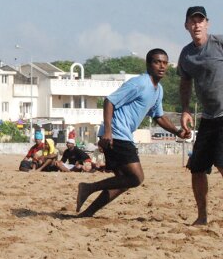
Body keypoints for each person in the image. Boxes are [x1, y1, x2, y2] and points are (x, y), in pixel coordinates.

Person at [76, 48, 191, 218]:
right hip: (116, 134)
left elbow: (158, 116)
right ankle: (88, 188)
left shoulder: (158, 90)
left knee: (123, 182)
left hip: (122, 135)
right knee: (136, 178)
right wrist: (108, 131)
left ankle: (87, 213)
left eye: (165, 63)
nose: (162, 66)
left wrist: (177, 132)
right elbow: (110, 101)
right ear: (148, 64)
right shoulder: (139, 83)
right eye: (157, 62)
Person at [179, 6, 223, 225]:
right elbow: (185, 81)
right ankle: (202, 216)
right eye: (192, 21)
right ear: (187, 25)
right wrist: (185, 109)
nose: (197, 25)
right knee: (196, 168)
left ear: (207, 23)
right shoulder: (186, 54)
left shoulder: (219, 44)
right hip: (208, 118)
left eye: (200, 21)